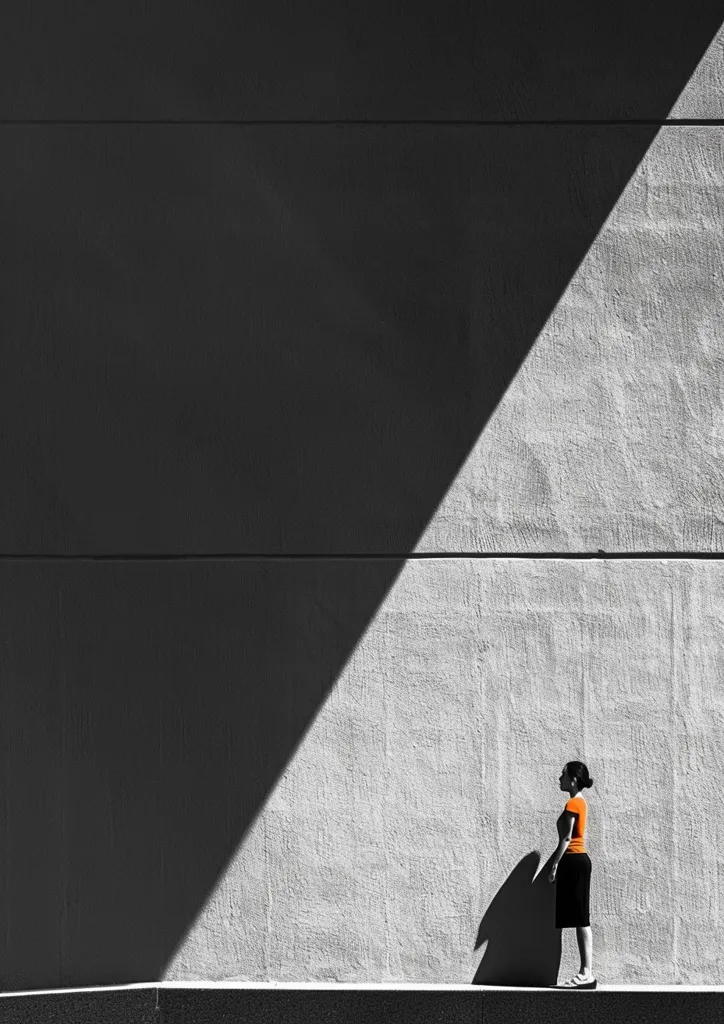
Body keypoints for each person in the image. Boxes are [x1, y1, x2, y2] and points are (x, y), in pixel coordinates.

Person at [548, 761, 597, 989]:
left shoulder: (573, 802)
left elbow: (566, 838)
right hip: (578, 861)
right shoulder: (580, 802)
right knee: (579, 918)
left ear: (573, 780)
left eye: (563, 775)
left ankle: (587, 973)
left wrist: (554, 865)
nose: (560, 779)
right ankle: (585, 972)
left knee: (581, 918)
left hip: (574, 860)